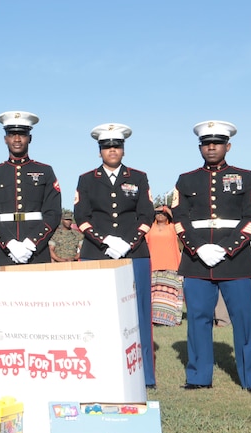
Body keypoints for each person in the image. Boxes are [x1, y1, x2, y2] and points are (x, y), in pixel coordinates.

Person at [171, 121, 251, 394]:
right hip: (196, 260)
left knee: (244, 320)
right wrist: (198, 248)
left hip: (236, 259)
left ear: (228, 146)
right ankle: (199, 377)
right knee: (198, 319)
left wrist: (226, 248)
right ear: (200, 146)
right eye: (206, 143)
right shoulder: (186, 179)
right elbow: (179, 218)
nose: (211, 147)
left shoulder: (246, 176)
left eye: (217, 143)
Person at [74, 123, 156, 388]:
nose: (112, 150)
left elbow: (147, 214)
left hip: (135, 253)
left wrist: (128, 242)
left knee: (140, 313)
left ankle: (145, 374)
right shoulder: (86, 179)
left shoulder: (139, 177)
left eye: (117, 146)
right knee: (95, 313)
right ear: (100, 152)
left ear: (123, 149)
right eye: (107, 146)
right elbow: (81, 216)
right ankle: (98, 368)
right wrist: (105, 240)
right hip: (96, 252)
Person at [0, 111, 62, 266]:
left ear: (30, 138)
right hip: (5, 251)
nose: (17, 139)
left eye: (22, 134)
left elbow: (53, 213)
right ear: (5, 139)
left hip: (37, 250)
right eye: (11, 134)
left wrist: (31, 244)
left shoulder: (45, 171)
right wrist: (10, 244)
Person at [145, 206, 183, 326]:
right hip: (154, 265)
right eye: (157, 212)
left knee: (170, 294)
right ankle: (154, 319)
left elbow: (179, 221)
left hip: (171, 264)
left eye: (163, 213)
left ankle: (171, 319)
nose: (160, 214)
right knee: (154, 294)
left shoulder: (172, 227)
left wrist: (168, 210)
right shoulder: (149, 228)